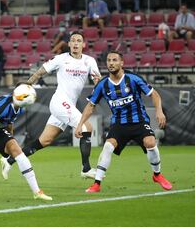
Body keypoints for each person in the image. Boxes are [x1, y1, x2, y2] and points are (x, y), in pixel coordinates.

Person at [0, 32, 101, 181]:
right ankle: (85, 169)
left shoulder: (89, 61)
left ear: (83, 45)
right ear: (69, 44)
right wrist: (28, 85)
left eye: (78, 41)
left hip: (68, 106)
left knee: (44, 141)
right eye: (72, 40)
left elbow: (97, 80)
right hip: (59, 102)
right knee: (87, 128)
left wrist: (98, 90)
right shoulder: (61, 59)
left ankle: (8, 161)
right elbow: (41, 71)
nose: (75, 43)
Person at [74, 50, 172, 193]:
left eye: (114, 60)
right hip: (119, 123)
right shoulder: (102, 84)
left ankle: (157, 175)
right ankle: (97, 184)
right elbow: (90, 106)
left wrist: (159, 111)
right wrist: (80, 124)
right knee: (108, 146)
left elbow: (154, 94)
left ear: (121, 63)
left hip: (139, 121)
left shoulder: (133, 79)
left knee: (150, 142)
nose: (111, 63)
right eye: (108, 60)